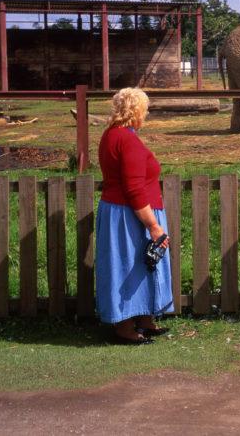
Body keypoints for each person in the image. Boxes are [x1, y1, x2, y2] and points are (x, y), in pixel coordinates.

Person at [96, 87, 173, 344]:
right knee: (128, 266)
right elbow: (133, 188)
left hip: (122, 212)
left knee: (139, 266)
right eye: (145, 109)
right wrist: (153, 225)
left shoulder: (111, 135)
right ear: (136, 110)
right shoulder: (126, 140)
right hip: (130, 216)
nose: (147, 113)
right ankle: (125, 326)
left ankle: (145, 319)